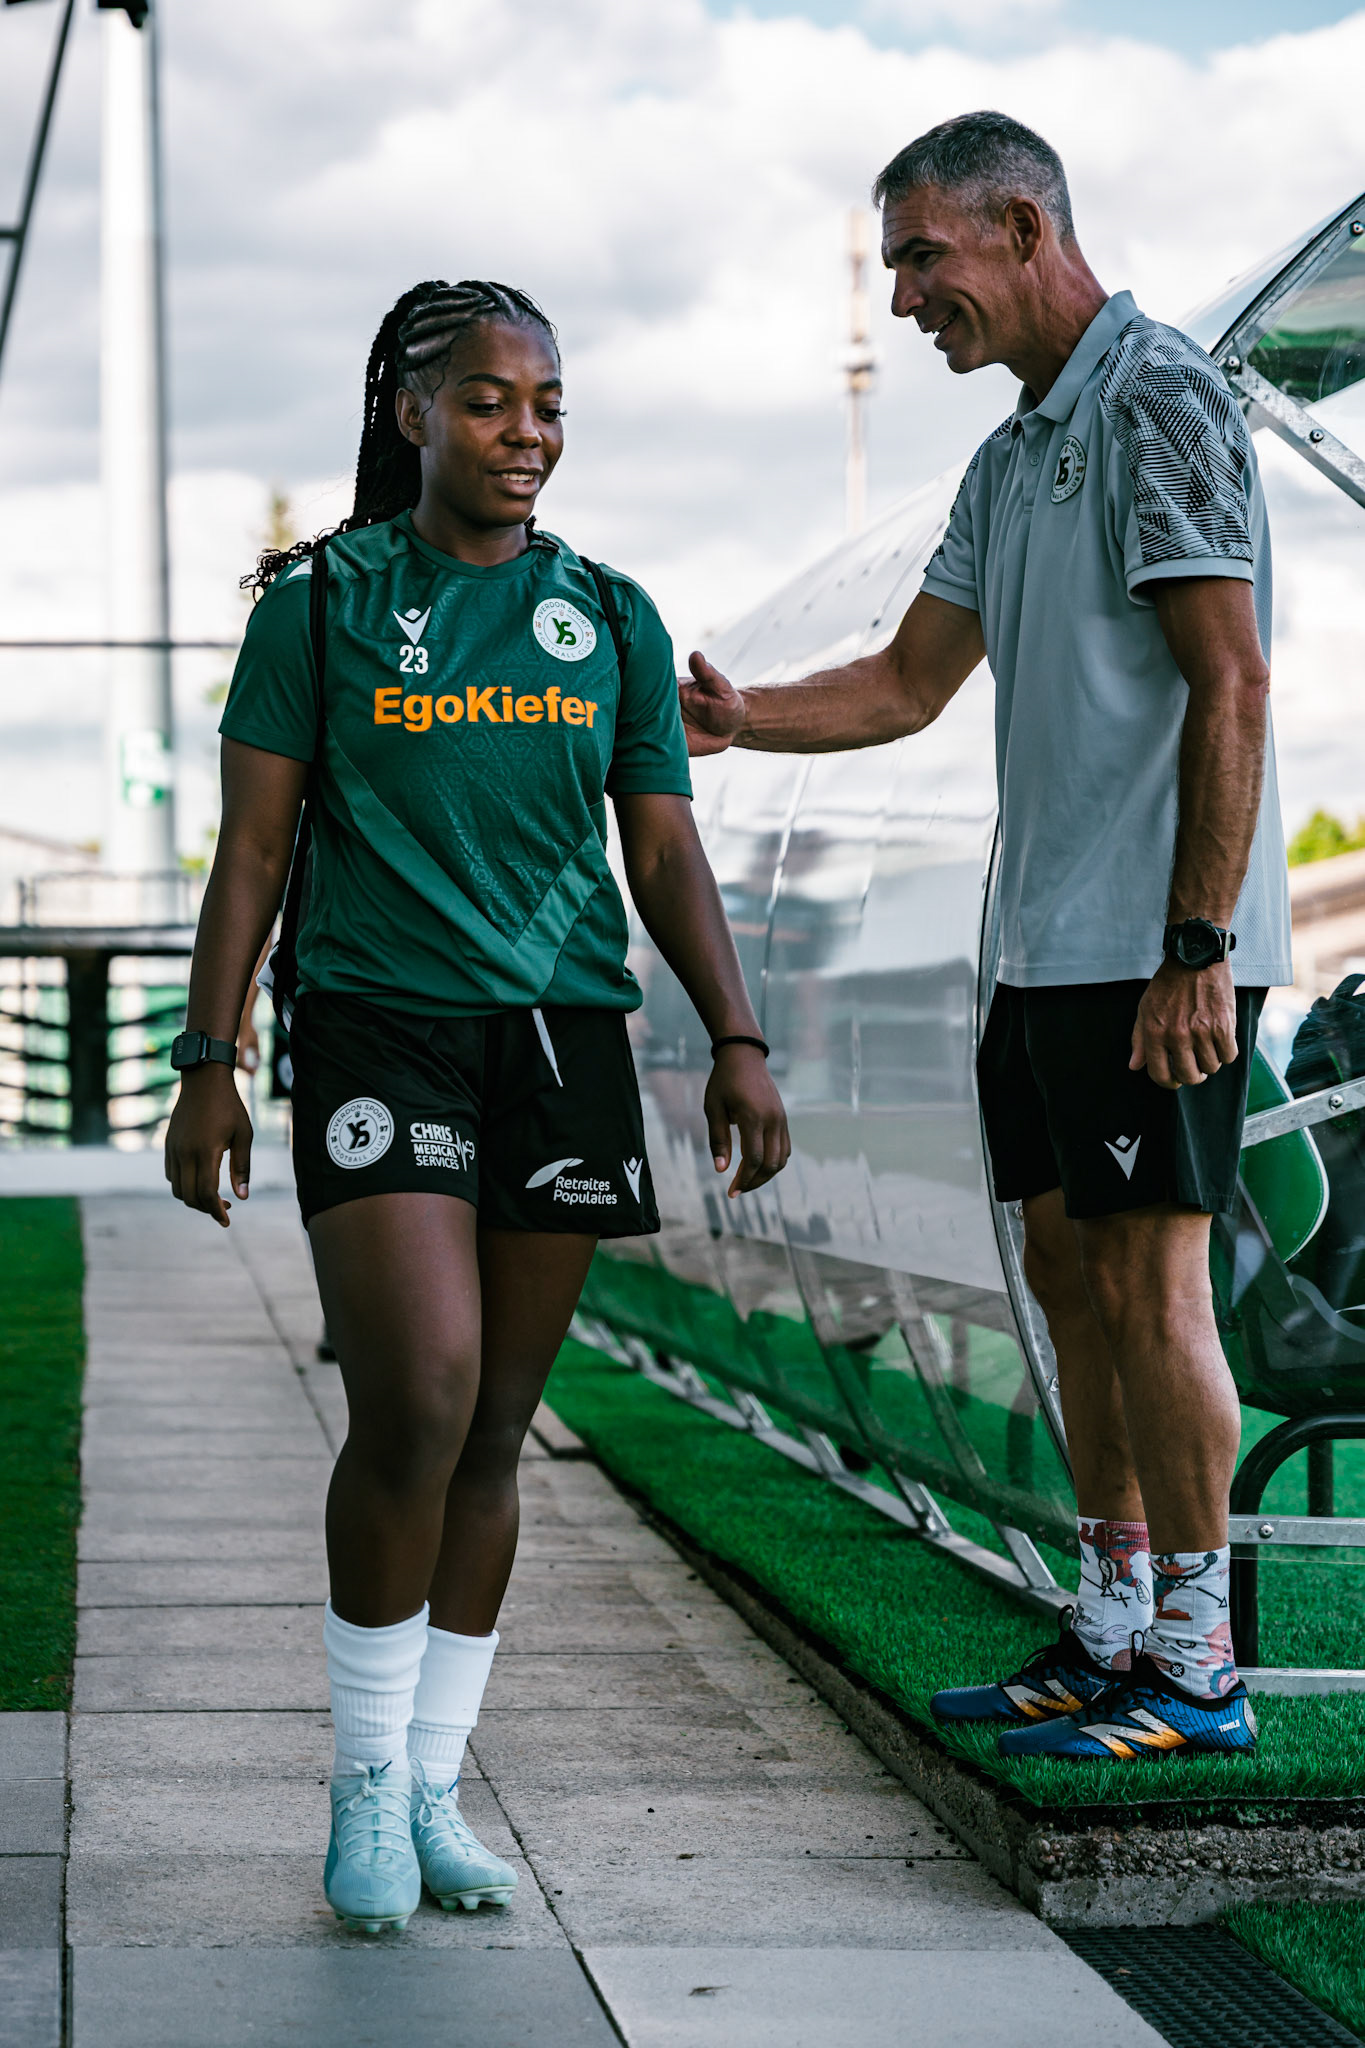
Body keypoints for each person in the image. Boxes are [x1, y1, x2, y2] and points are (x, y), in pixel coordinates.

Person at [165, 277, 789, 1931]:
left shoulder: (612, 614)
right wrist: (206, 1058)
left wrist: (737, 1037)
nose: (529, 432)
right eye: (495, 401)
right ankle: (362, 1787)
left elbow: (660, 847)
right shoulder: (320, 608)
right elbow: (253, 851)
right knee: (420, 1396)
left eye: (550, 403)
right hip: (378, 1029)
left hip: (564, 1040)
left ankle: (435, 1791)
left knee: (501, 1428)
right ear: (412, 414)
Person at [680, 114, 1291, 1764]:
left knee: (1155, 1283)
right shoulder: (1013, 454)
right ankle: (1105, 1624)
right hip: (1038, 950)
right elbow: (900, 683)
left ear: (1022, 228)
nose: (903, 303)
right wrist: (733, 721)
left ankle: (1197, 1664)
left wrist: (1193, 944)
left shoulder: (1159, 397)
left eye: (920, 260)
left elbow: (1229, 682)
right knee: (1064, 1277)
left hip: (1150, 951)